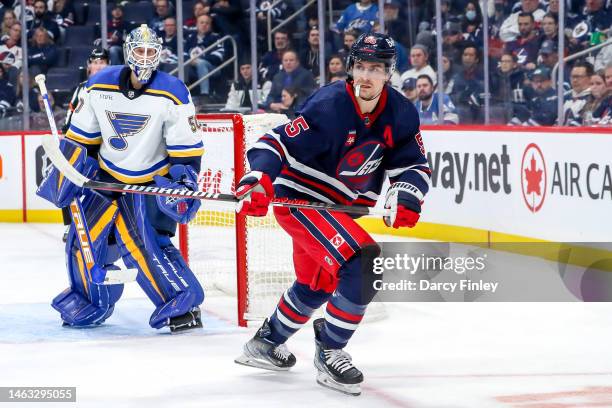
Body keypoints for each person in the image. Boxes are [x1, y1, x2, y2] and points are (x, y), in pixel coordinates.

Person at [234, 32, 430, 396]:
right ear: (352, 68)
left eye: (376, 68)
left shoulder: (401, 113)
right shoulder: (330, 104)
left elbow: (413, 165)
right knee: (363, 262)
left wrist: (407, 195)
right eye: (361, 67)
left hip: (339, 211)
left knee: (317, 284)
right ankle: (331, 350)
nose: (366, 76)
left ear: (389, 72)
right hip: (302, 201)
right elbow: (274, 143)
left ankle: (266, 341)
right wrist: (260, 180)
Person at [36, 24, 205, 333]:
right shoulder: (99, 85)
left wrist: (183, 182)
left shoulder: (173, 92)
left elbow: (186, 149)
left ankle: (182, 303)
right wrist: (69, 171)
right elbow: (81, 140)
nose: (144, 58)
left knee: (142, 245)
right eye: (138, 51)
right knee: (80, 239)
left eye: (150, 51)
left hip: (148, 182)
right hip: (106, 178)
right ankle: (91, 300)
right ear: (128, 53)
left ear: (158, 54)